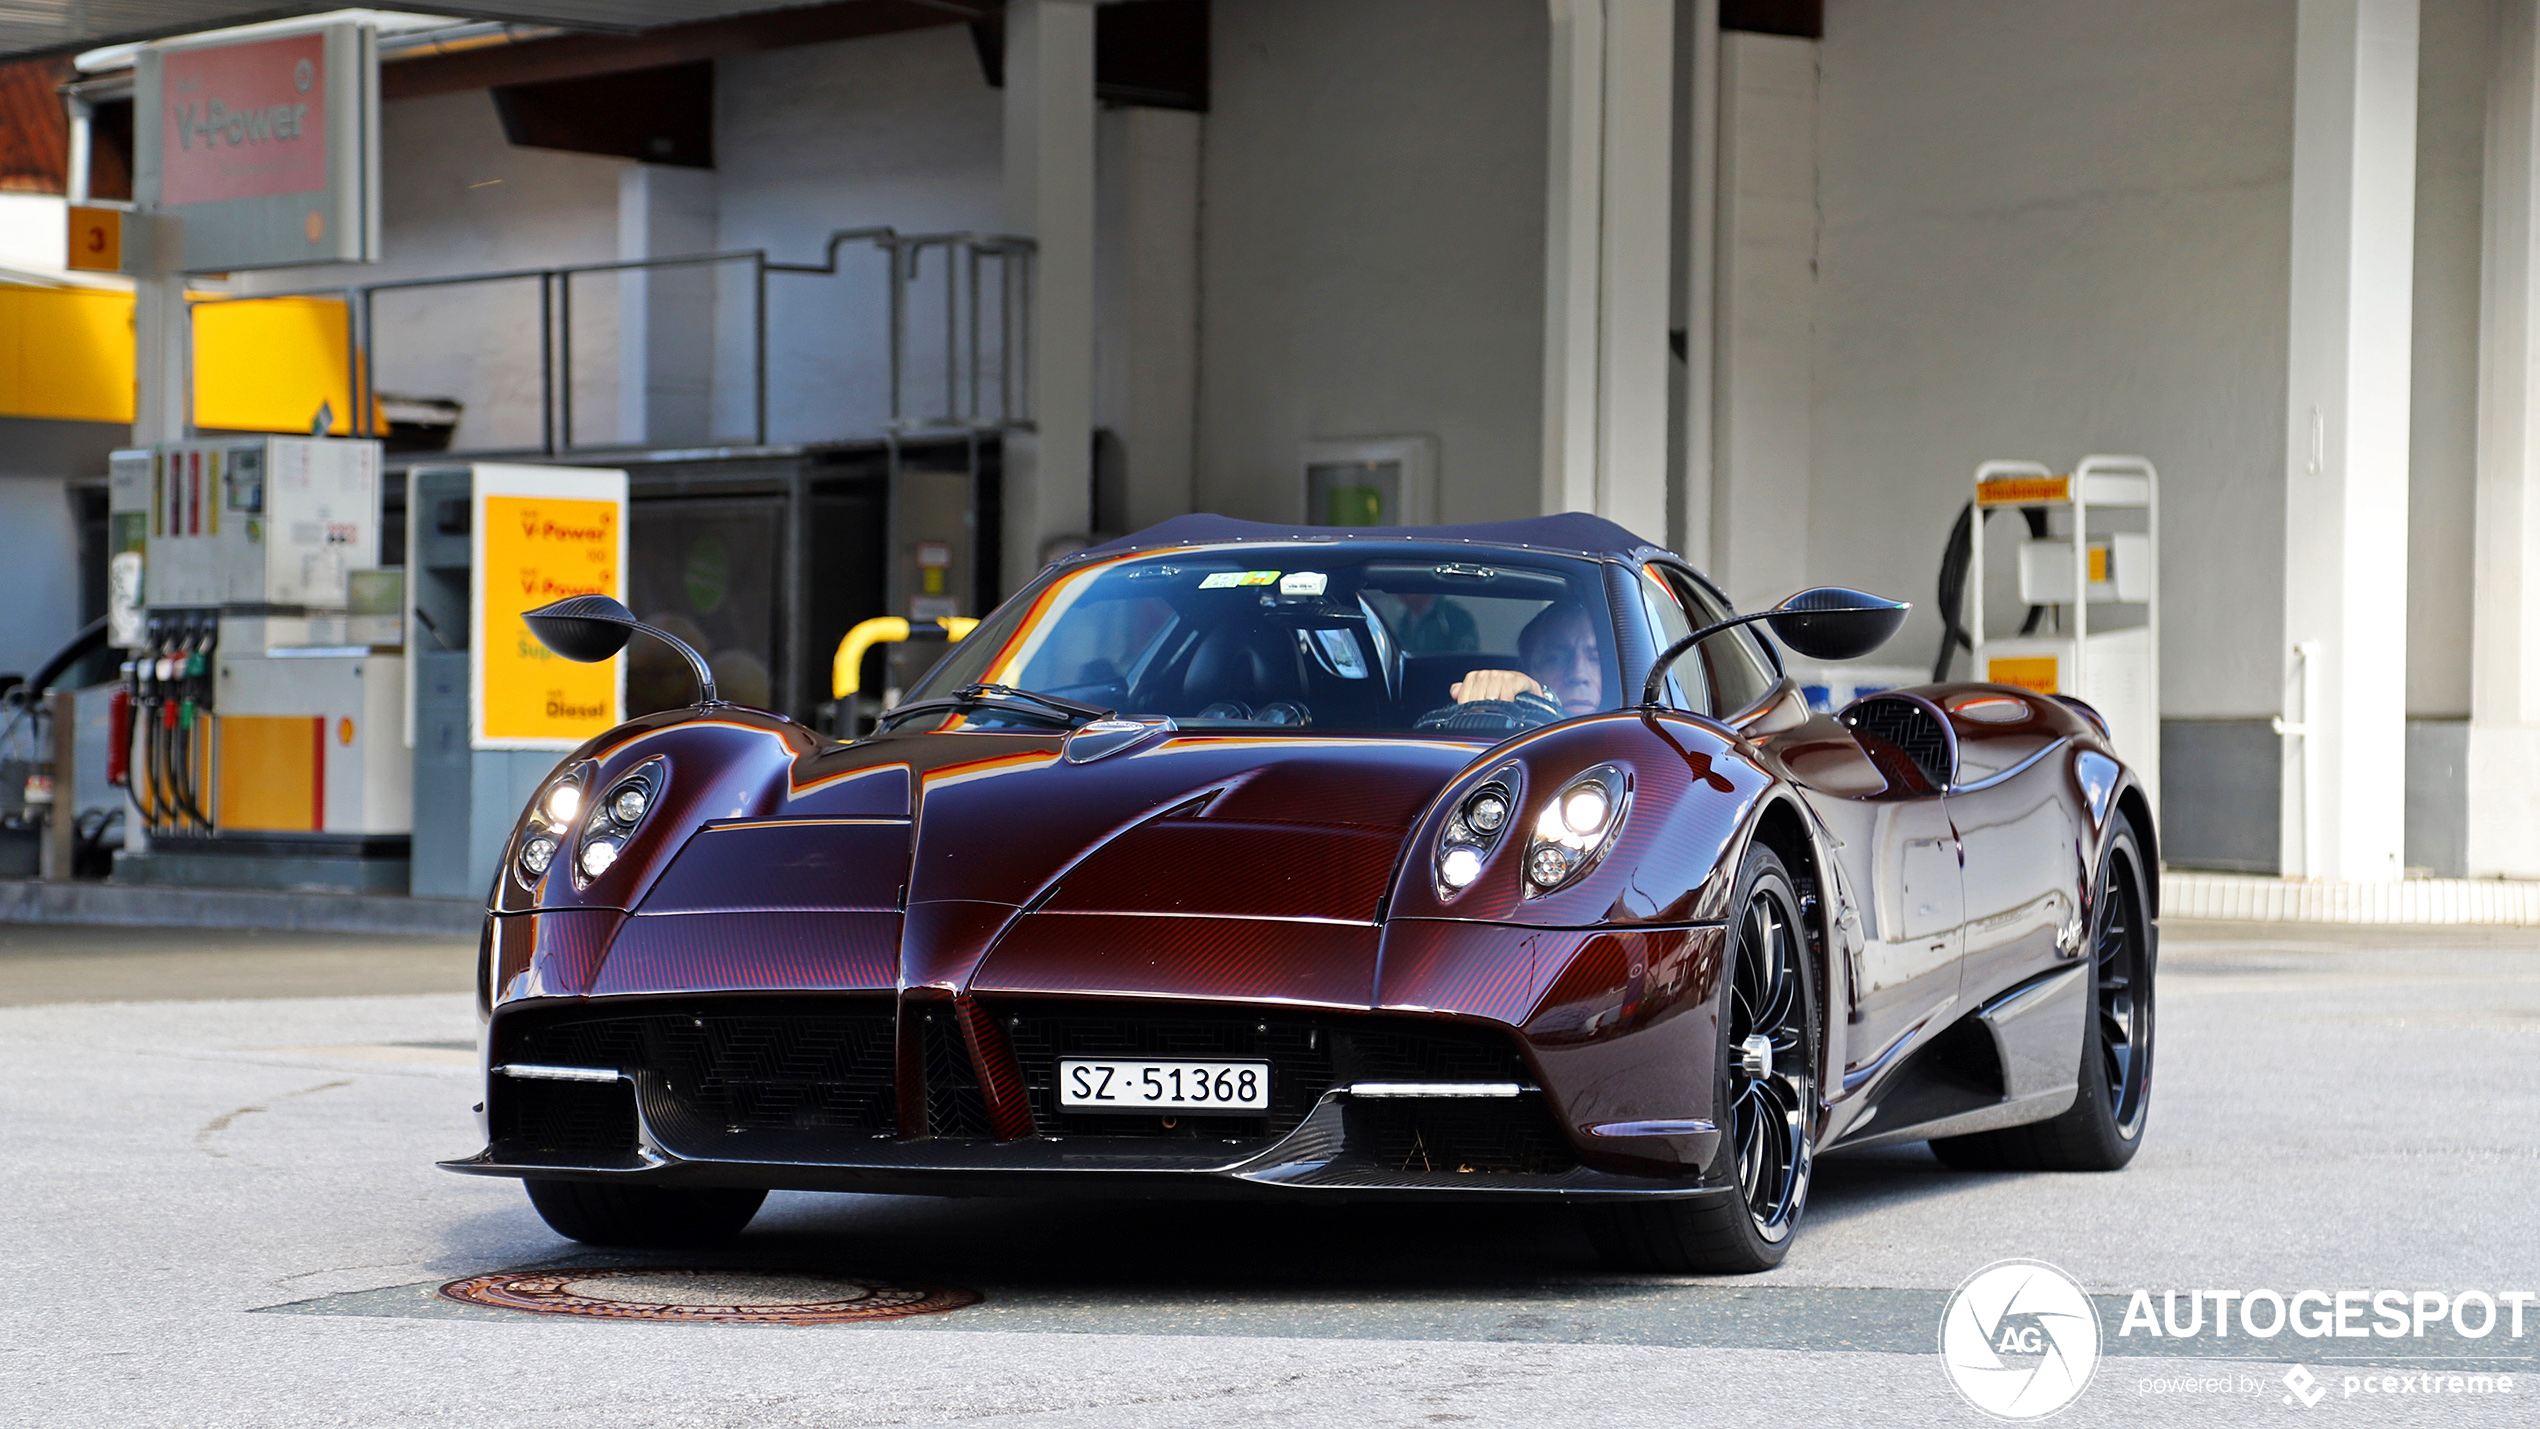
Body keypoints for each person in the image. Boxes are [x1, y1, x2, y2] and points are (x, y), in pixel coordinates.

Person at [1415, 602, 1606, 732]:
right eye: (1555, 659)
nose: (1579, 674)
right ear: (1527, 671)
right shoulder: (1507, 744)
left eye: (1596, 658)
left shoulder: (1633, 739)